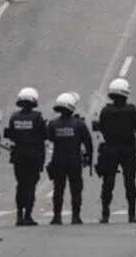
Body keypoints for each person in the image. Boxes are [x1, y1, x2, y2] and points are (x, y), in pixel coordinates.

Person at [94, 77, 136, 223]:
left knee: (108, 183)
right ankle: (132, 214)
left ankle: (105, 214)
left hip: (110, 150)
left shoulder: (105, 110)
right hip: (128, 150)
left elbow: (101, 128)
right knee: (130, 182)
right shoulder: (131, 109)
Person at [47, 92, 92, 225]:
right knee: (76, 189)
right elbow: (88, 142)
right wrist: (89, 158)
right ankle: (75, 216)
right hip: (74, 161)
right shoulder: (79, 124)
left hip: (58, 160)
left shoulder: (53, 123)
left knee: (58, 189)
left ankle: (57, 217)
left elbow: (49, 138)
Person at [4, 87, 47, 226]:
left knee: (21, 184)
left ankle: (19, 214)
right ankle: (28, 215)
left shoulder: (14, 117)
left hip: (18, 154)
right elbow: (45, 135)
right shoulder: (38, 117)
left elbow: (10, 135)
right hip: (34, 155)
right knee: (30, 185)